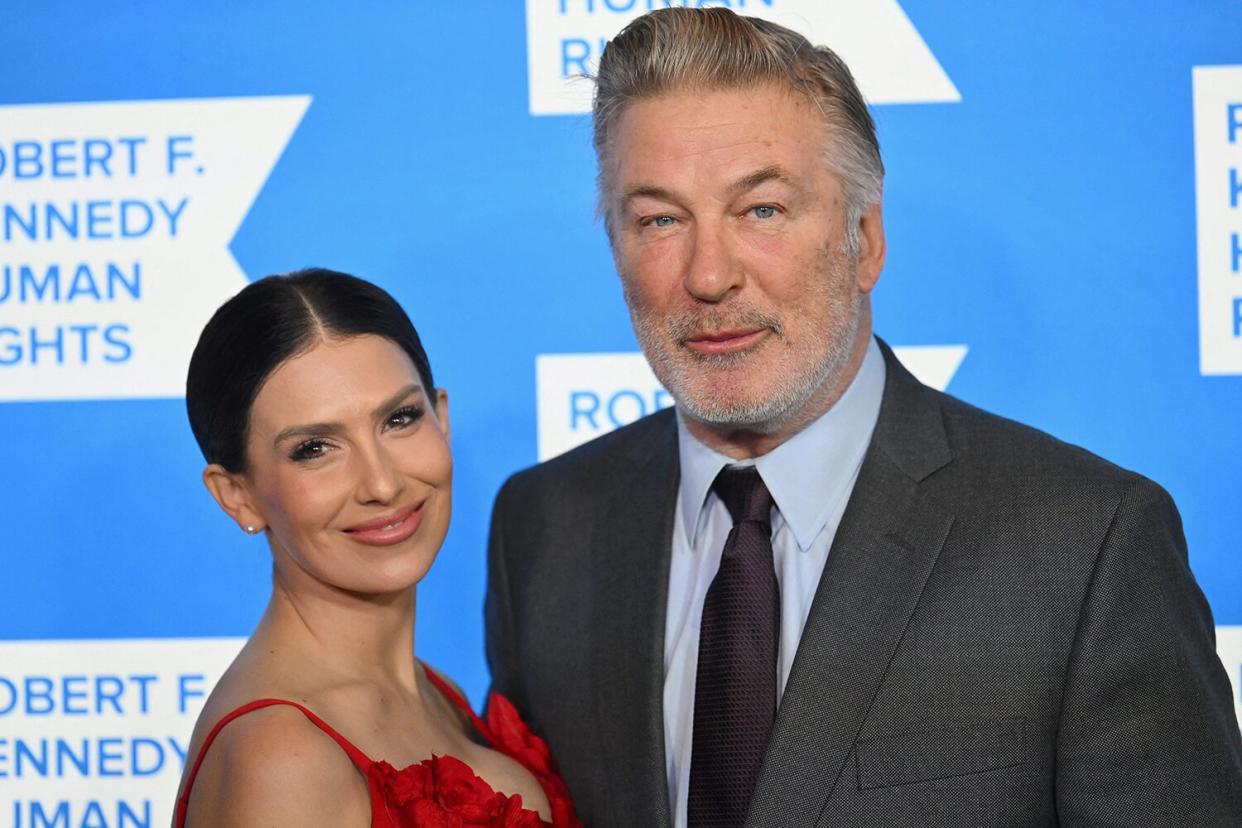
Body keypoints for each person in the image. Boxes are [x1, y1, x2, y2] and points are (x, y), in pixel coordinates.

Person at [484, 8, 1242, 828]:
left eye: (762, 209)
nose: (707, 276)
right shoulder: (544, 528)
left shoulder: (1084, 545)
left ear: (866, 239)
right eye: (660, 220)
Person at [175, 269, 579, 827]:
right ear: (238, 496)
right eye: (314, 448)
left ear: (442, 417)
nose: (382, 484)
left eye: (400, 419)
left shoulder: (439, 694)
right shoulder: (282, 757)